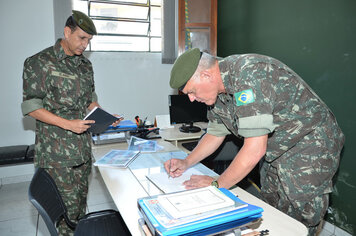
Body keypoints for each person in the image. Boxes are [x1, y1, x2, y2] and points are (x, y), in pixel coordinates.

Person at [165, 48, 345, 235]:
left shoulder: (249, 74)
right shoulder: (216, 91)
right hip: (277, 147)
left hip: (311, 144)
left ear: (206, 75)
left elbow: (254, 149)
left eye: (192, 91)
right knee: (272, 207)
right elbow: (215, 134)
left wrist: (216, 185)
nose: (192, 99)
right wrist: (186, 162)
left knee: (300, 215)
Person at [21, 10, 121, 235]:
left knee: (78, 209)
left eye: (89, 40)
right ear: (67, 32)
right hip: (57, 156)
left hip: (82, 152)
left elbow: (90, 102)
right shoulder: (39, 62)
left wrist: (106, 116)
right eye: (81, 38)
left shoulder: (85, 66)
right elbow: (31, 107)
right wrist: (68, 124)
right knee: (64, 216)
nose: (85, 45)